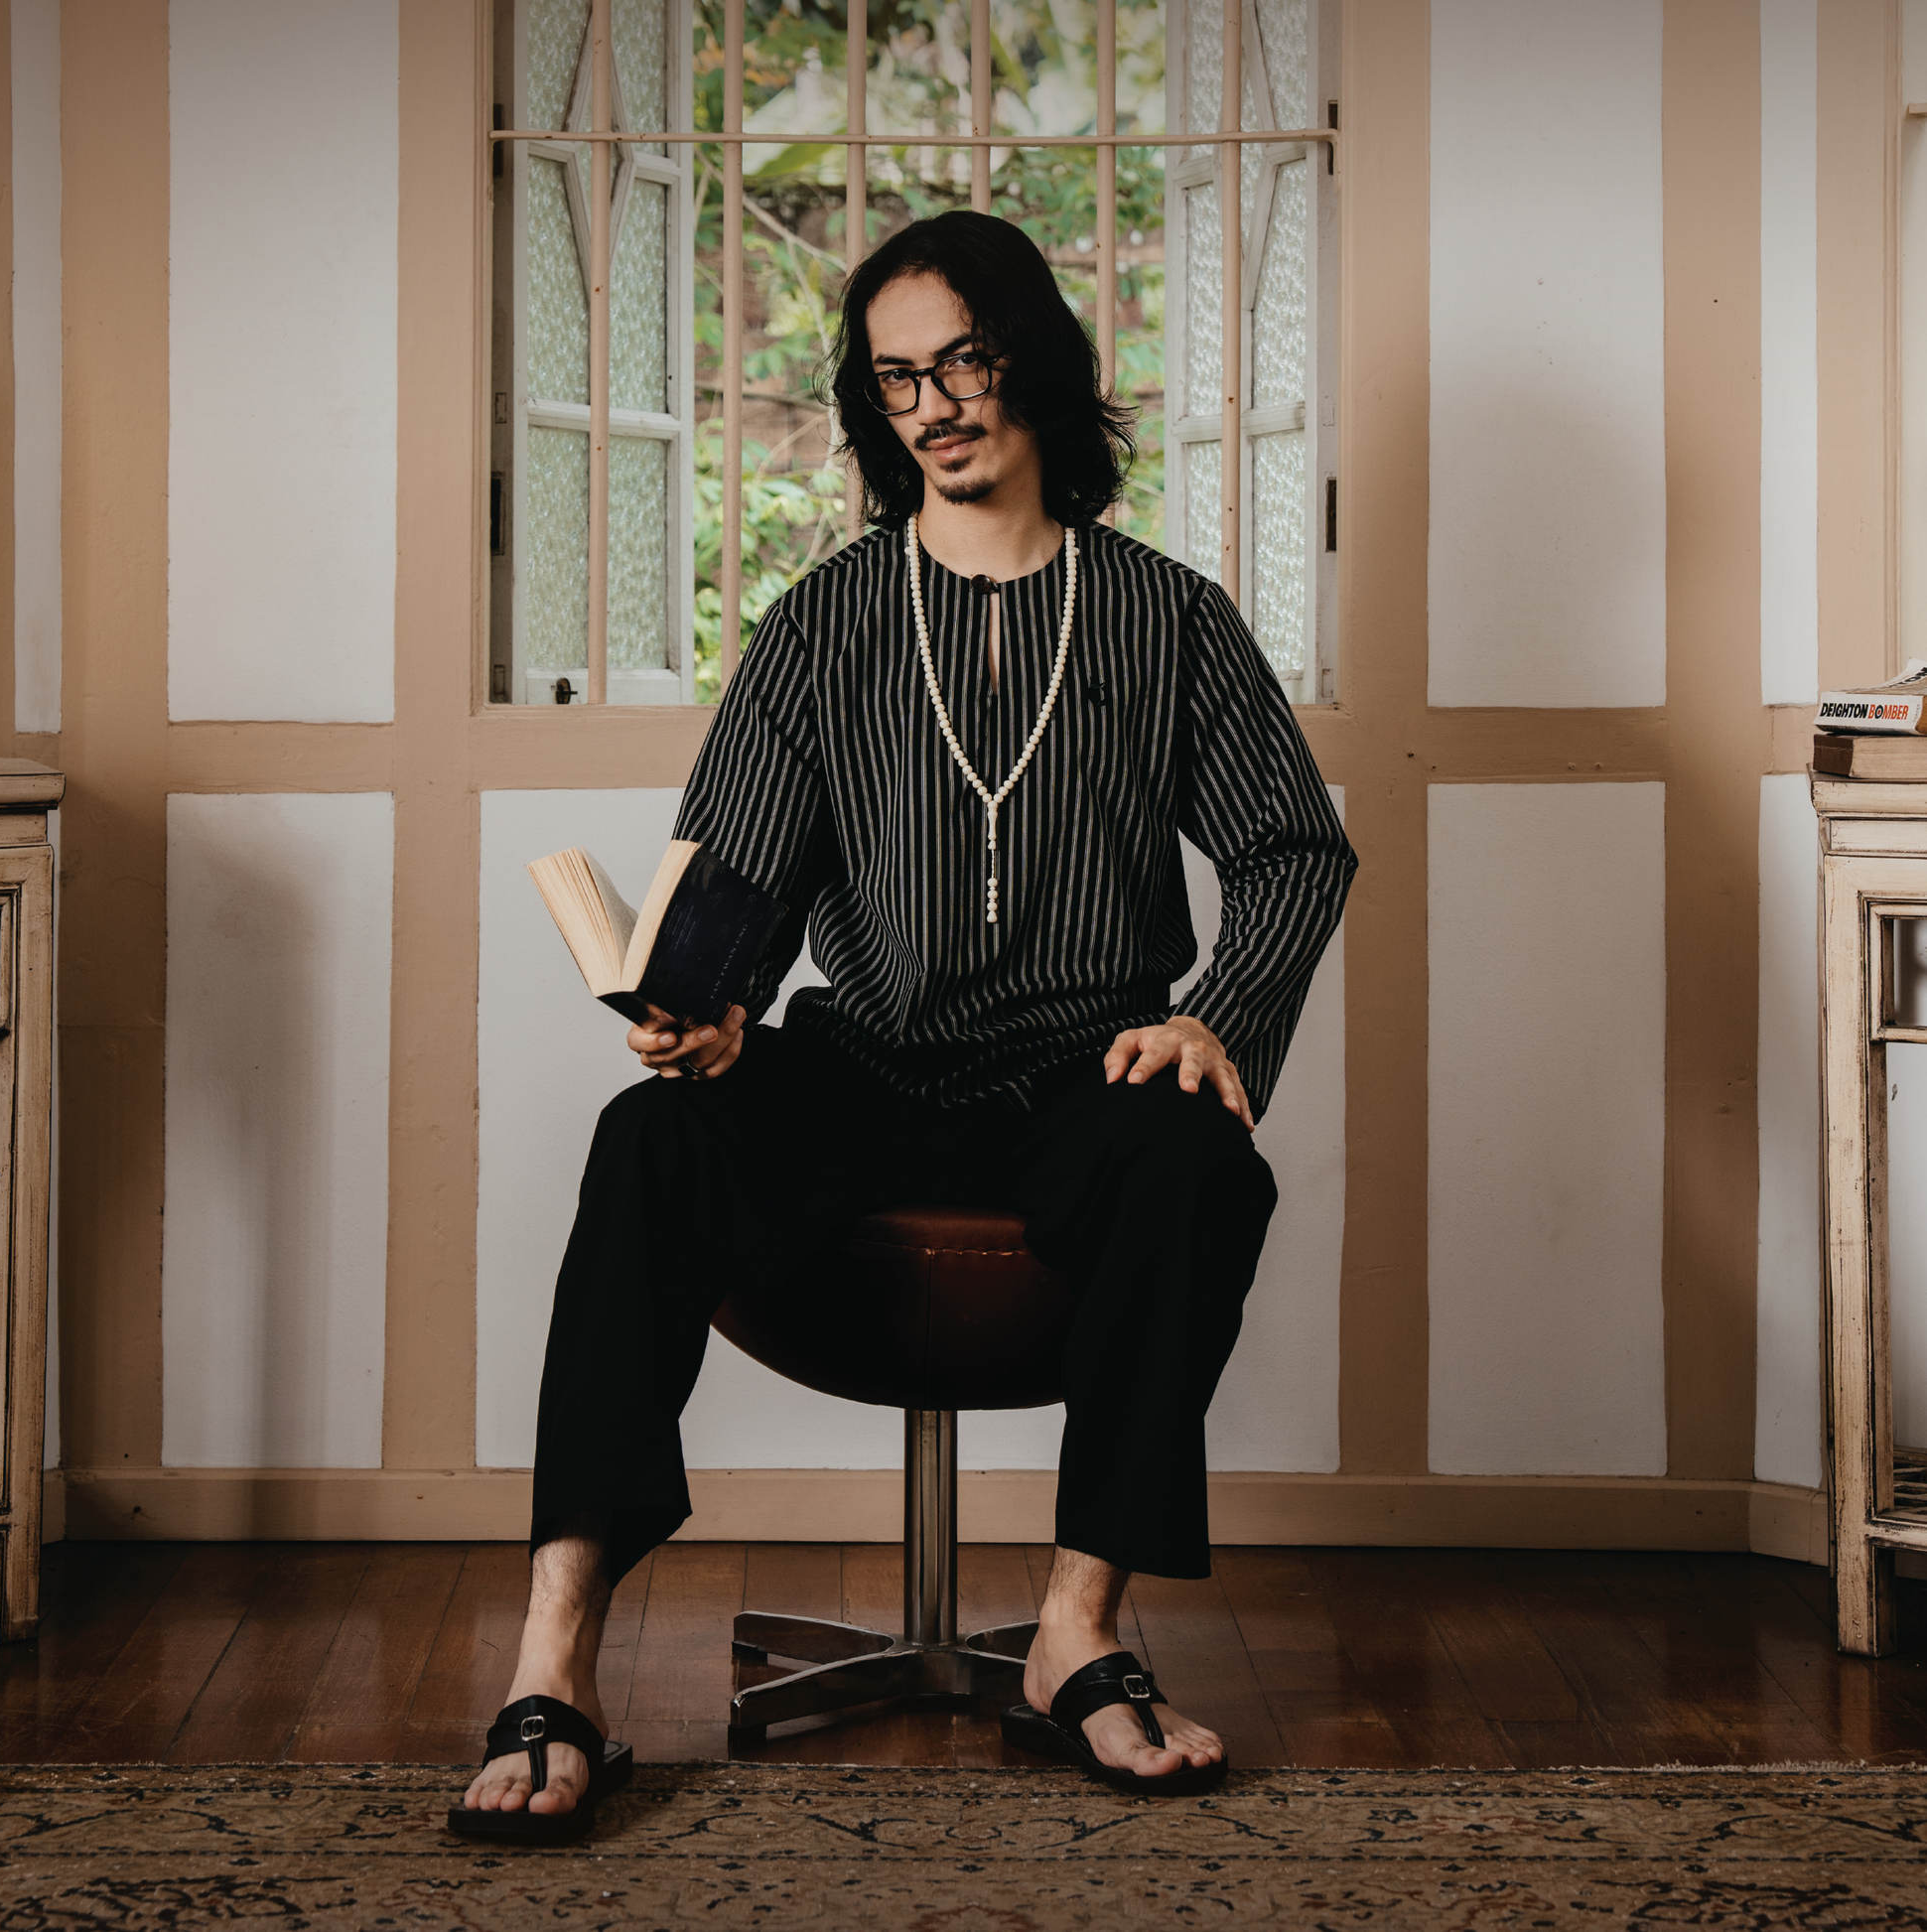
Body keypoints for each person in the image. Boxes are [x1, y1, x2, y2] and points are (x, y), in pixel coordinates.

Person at [452, 209, 1355, 1838]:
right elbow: (735, 878)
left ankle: (1076, 1633)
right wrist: (704, 1009)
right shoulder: (822, 621)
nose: (932, 404)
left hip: (1083, 1067)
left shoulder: (1169, 616)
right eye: (895, 378)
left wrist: (1216, 1017)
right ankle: (557, 1651)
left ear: (1035, 365)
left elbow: (1293, 848)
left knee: (1198, 1163)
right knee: (649, 1137)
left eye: (963, 361)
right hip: (861, 1067)